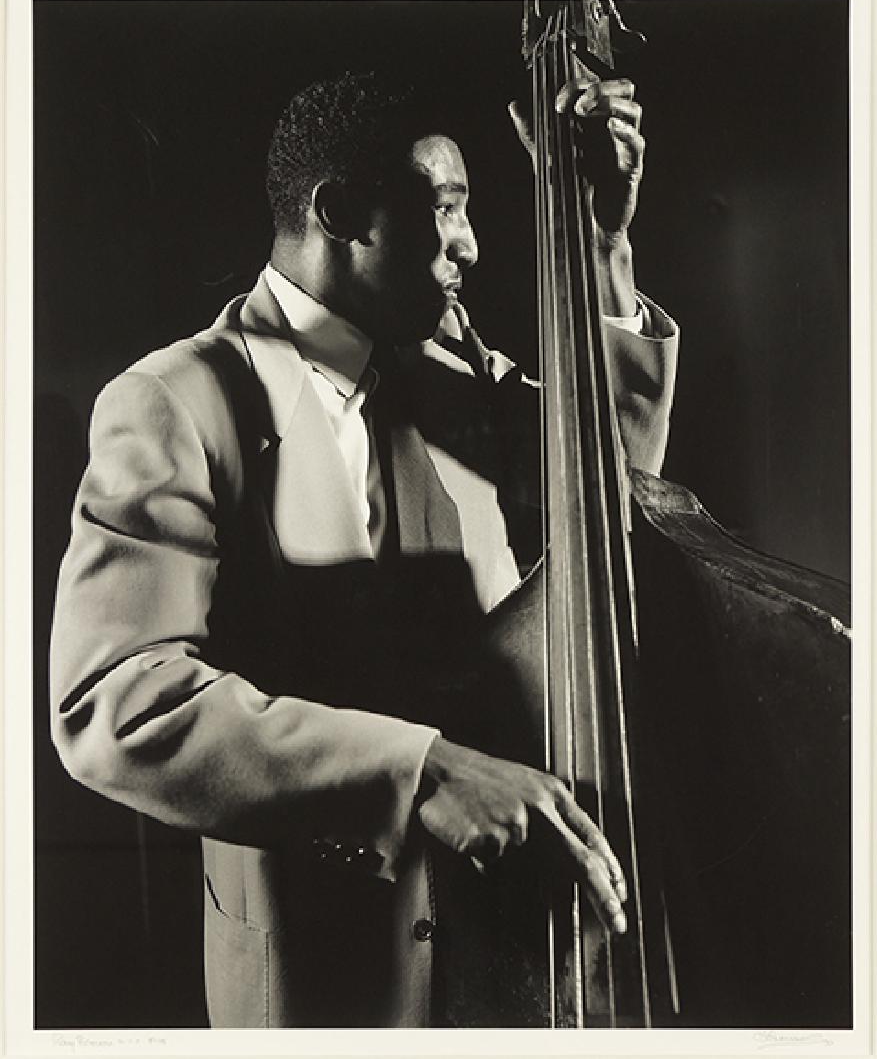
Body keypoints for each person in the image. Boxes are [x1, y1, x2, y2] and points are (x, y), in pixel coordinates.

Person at [49, 69, 678, 1027]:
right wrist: (419, 770)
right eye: (445, 209)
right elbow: (115, 701)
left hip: (509, 964)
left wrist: (599, 244)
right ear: (341, 211)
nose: (468, 245)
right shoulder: (175, 401)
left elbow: (615, 496)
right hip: (319, 982)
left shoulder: (456, 369)